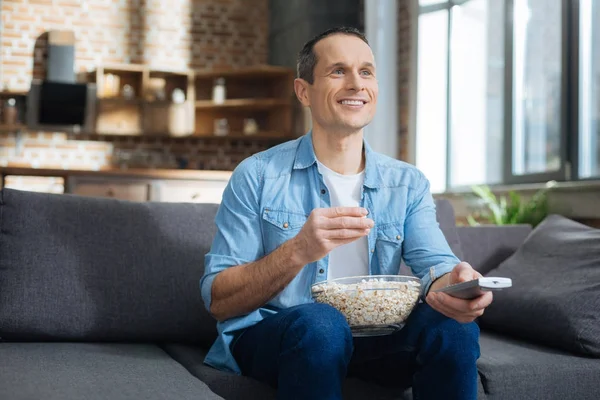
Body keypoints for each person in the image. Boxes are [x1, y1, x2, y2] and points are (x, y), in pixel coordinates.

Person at [200, 26, 493, 400]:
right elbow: (219, 300)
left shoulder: (407, 182)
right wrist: (298, 250)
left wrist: (457, 285)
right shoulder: (257, 175)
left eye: (366, 71)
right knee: (322, 324)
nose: (356, 83)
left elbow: (435, 265)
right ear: (303, 91)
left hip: (379, 338)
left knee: (454, 327)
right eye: (338, 71)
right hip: (278, 336)